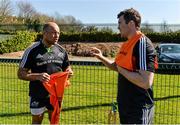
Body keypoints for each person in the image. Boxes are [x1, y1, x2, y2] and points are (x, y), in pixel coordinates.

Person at [91, 8, 158, 124]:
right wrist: (100, 56)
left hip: (139, 109)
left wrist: (121, 70)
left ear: (131, 24)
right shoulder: (126, 45)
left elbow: (145, 81)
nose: (118, 27)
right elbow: (116, 66)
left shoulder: (142, 44)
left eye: (120, 23)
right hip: (126, 107)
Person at [17, 22, 73, 124]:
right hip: (37, 94)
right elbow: (20, 74)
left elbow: (67, 66)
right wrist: (38, 76)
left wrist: (69, 71)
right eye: (53, 33)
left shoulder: (61, 50)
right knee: (37, 122)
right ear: (44, 33)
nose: (57, 36)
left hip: (55, 95)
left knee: (54, 120)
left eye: (58, 33)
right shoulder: (32, 50)